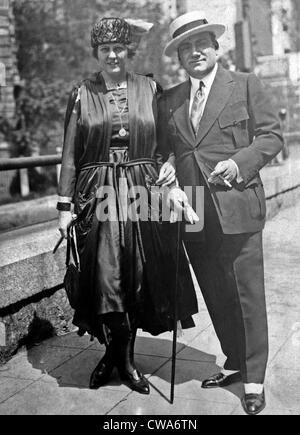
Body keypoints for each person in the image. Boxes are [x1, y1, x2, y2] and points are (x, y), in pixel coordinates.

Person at [56, 17, 198, 395]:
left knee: (138, 279)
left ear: (127, 51)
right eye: (105, 50)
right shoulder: (81, 93)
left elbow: (170, 142)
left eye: (118, 48)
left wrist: (168, 163)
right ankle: (115, 356)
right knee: (105, 279)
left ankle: (122, 360)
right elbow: (70, 154)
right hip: (97, 192)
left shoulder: (150, 88)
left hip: (143, 190)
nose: (113, 55)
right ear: (97, 54)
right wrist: (63, 206)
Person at [158, 11, 283, 415]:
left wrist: (242, 161)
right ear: (179, 57)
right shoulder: (171, 98)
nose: (194, 52)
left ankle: (254, 379)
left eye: (201, 44)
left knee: (247, 295)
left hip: (238, 208)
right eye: (185, 48)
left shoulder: (246, 85)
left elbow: (271, 136)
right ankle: (234, 363)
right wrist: (167, 168)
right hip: (193, 212)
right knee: (217, 294)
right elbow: (169, 150)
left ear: (216, 47)